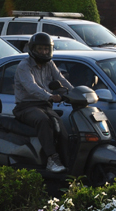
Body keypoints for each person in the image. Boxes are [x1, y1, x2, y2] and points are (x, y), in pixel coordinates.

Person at [13, 32, 74, 172]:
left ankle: (67, 162)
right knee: (43, 120)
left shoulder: (49, 64)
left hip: (44, 105)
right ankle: (52, 159)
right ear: (32, 49)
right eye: (40, 49)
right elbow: (31, 87)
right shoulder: (24, 66)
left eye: (46, 49)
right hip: (25, 106)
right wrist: (50, 96)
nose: (44, 52)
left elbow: (61, 80)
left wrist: (76, 93)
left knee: (60, 127)